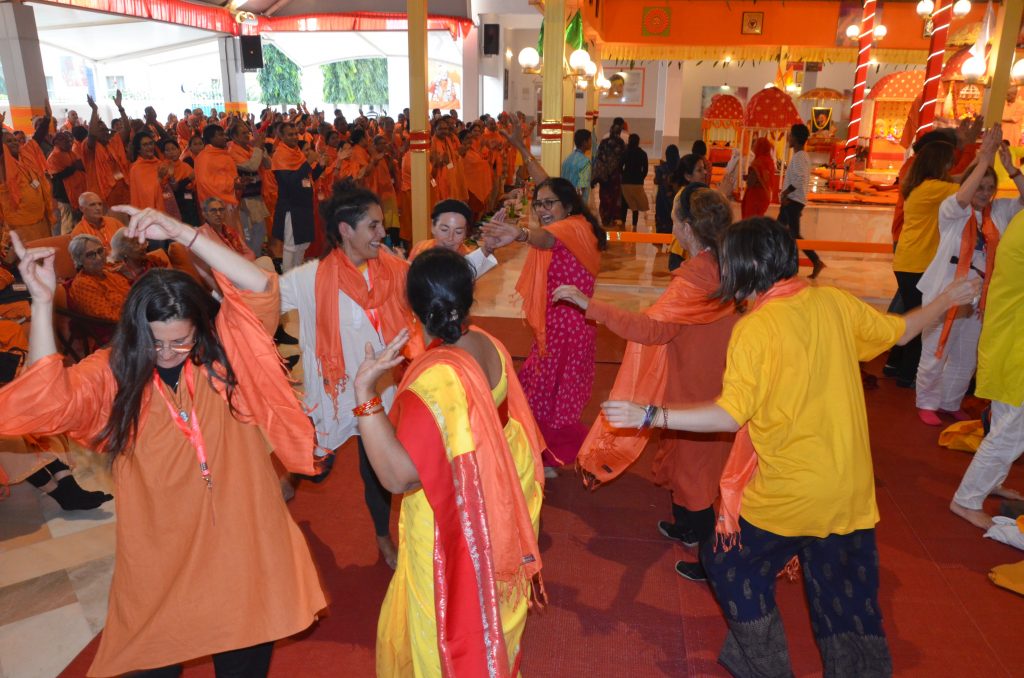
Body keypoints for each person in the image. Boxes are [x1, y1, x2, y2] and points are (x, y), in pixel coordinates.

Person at [601, 217, 980, 678]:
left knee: (728, 564)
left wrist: (650, 415)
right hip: (849, 493)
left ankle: (766, 668)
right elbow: (899, 331)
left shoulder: (756, 329)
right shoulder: (832, 301)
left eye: (728, 263)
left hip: (789, 495)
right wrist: (946, 299)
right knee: (846, 604)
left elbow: (728, 415)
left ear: (749, 267)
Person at [1, 211, 326, 677]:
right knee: (155, 658)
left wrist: (184, 234)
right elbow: (45, 402)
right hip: (161, 547)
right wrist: (41, 303)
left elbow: (259, 285)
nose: (169, 354)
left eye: (182, 342)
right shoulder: (113, 372)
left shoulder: (224, 356)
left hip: (243, 540)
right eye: (156, 344)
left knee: (246, 649)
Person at [355, 248, 546, 677]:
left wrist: (365, 393)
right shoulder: (489, 342)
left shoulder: (439, 376)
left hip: (458, 512)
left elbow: (398, 476)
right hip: (500, 488)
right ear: (469, 297)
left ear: (413, 309)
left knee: (448, 625)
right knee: (493, 613)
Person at [557, 188, 738, 582]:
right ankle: (687, 527)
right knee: (693, 462)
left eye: (674, 218)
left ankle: (712, 563)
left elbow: (653, 330)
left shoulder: (694, 278)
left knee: (694, 471)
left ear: (686, 228)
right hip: (722, 376)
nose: (672, 225)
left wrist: (591, 306)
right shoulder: (731, 263)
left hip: (695, 384)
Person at [279, 179, 423, 569]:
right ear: (346, 229)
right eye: (373, 226)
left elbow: (433, 283)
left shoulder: (393, 270)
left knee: (374, 466)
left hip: (380, 390)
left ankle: (382, 536)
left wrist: (483, 254)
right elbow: (260, 294)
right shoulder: (309, 277)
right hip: (333, 391)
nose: (382, 233)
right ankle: (293, 477)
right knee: (318, 466)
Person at [484, 177, 606, 471]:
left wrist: (521, 234)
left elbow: (547, 239)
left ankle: (555, 454)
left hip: (568, 330)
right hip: (559, 327)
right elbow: (547, 186)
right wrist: (525, 154)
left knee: (547, 396)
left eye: (549, 203)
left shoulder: (572, 229)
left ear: (568, 204)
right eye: (538, 204)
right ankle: (543, 453)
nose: (542, 210)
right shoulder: (576, 224)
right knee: (542, 392)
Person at [916, 142, 1024, 425]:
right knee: (936, 349)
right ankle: (927, 402)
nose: (985, 193)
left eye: (990, 188)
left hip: (980, 298)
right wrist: (983, 160)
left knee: (966, 356)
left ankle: (950, 402)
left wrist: (1012, 170)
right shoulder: (952, 210)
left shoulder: (999, 212)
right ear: (969, 185)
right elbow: (963, 196)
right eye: (980, 187)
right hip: (945, 293)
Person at [890, 126, 1001, 388]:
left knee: (909, 314)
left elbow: (961, 178)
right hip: (917, 261)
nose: (952, 166)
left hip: (910, 259)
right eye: (949, 161)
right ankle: (907, 375)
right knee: (923, 322)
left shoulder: (924, 185)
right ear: (939, 163)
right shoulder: (933, 188)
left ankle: (895, 365)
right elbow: (965, 187)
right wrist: (983, 157)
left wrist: (978, 154)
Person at [950, 194, 1024, 530]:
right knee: (1012, 427)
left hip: (1011, 339)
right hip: (1014, 343)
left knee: (1011, 423)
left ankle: (990, 481)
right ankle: (967, 500)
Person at [272, 122, 325, 272]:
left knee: (303, 244)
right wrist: (308, 163)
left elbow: (307, 178)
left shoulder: (297, 154)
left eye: (296, 134)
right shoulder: (280, 155)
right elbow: (289, 182)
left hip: (304, 205)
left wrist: (320, 166)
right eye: (290, 134)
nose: (295, 137)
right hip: (291, 206)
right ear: (281, 136)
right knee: (291, 245)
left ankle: (297, 276)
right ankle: (287, 278)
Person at [778, 123, 825, 279]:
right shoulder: (801, 156)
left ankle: (802, 266)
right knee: (784, 233)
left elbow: (799, 179)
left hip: (793, 201)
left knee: (792, 235)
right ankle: (792, 266)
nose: (789, 138)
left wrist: (786, 193)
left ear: (796, 138)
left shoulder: (800, 157)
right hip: (793, 200)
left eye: (791, 135)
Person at [407, 199, 499, 277]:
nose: (450, 238)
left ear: (465, 234)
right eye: (444, 230)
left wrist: (488, 248)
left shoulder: (469, 260)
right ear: (432, 227)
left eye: (458, 232)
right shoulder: (420, 248)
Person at [0, 117, 54, 243]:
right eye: (9, 141)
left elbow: (36, 139)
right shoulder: (3, 165)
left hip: (41, 220)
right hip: (21, 227)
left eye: (15, 140)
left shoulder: (25, 155)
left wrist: (47, 119)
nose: (14, 143)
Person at [66, 233, 131, 324]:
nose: (99, 258)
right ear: (79, 260)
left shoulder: (109, 272)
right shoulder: (83, 284)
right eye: (90, 255)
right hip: (119, 327)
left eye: (100, 251)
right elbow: (109, 317)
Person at [667, 154, 708, 271]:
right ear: (688, 176)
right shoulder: (684, 197)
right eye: (699, 170)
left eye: (704, 169)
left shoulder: (695, 193)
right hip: (682, 254)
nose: (705, 173)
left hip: (689, 252)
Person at [46, 131, 87, 235]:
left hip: (77, 192)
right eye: (65, 141)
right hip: (64, 196)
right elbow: (56, 176)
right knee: (68, 223)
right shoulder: (53, 157)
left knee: (77, 221)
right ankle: (66, 241)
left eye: (69, 141)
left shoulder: (71, 153)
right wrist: (74, 167)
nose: (69, 143)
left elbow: (80, 166)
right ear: (57, 142)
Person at [592, 120, 627, 227]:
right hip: (615, 175)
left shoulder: (604, 142)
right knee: (615, 197)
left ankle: (605, 218)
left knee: (604, 196)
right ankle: (613, 218)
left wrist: (597, 175)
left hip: (604, 176)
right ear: (619, 132)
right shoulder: (621, 143)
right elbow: (624, 159)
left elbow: (599, 158)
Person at [741, 136, 776, 219]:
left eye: (755, 145)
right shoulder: (770, 161)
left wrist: (747, 178)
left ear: (760, 147)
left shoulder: (757, 162)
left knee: (751, 220)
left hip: (755, 195)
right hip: (764, 195)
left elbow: (751, 183)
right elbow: (764, 178)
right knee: (758, 219)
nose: (753, 147)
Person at [620, 133, 649, 231]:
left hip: (626, 182)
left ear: (629, 141)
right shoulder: (643, 154)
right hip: (637, 182)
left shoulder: (625, 152)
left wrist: (623, 175)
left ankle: (623, 223)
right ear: (638, 142)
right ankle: (634, 225)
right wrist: (641, 177)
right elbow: (645, 169)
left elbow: (619, 166)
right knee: (635, 204)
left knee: (625, 203)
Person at [562, 128, 593, 204]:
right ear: (585, 142)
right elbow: (581, 187)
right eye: (590, 140)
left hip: (565, 199)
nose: (591, 142)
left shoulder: (567, 159)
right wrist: (577, 204)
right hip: (577, 202)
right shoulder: (585, 162)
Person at [654, 144, 679, 234]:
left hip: (662, 198)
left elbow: (656, 181)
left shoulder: (661, 168)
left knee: (662, 219)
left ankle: (661, 239)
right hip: (676, 199)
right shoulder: (680, 168)